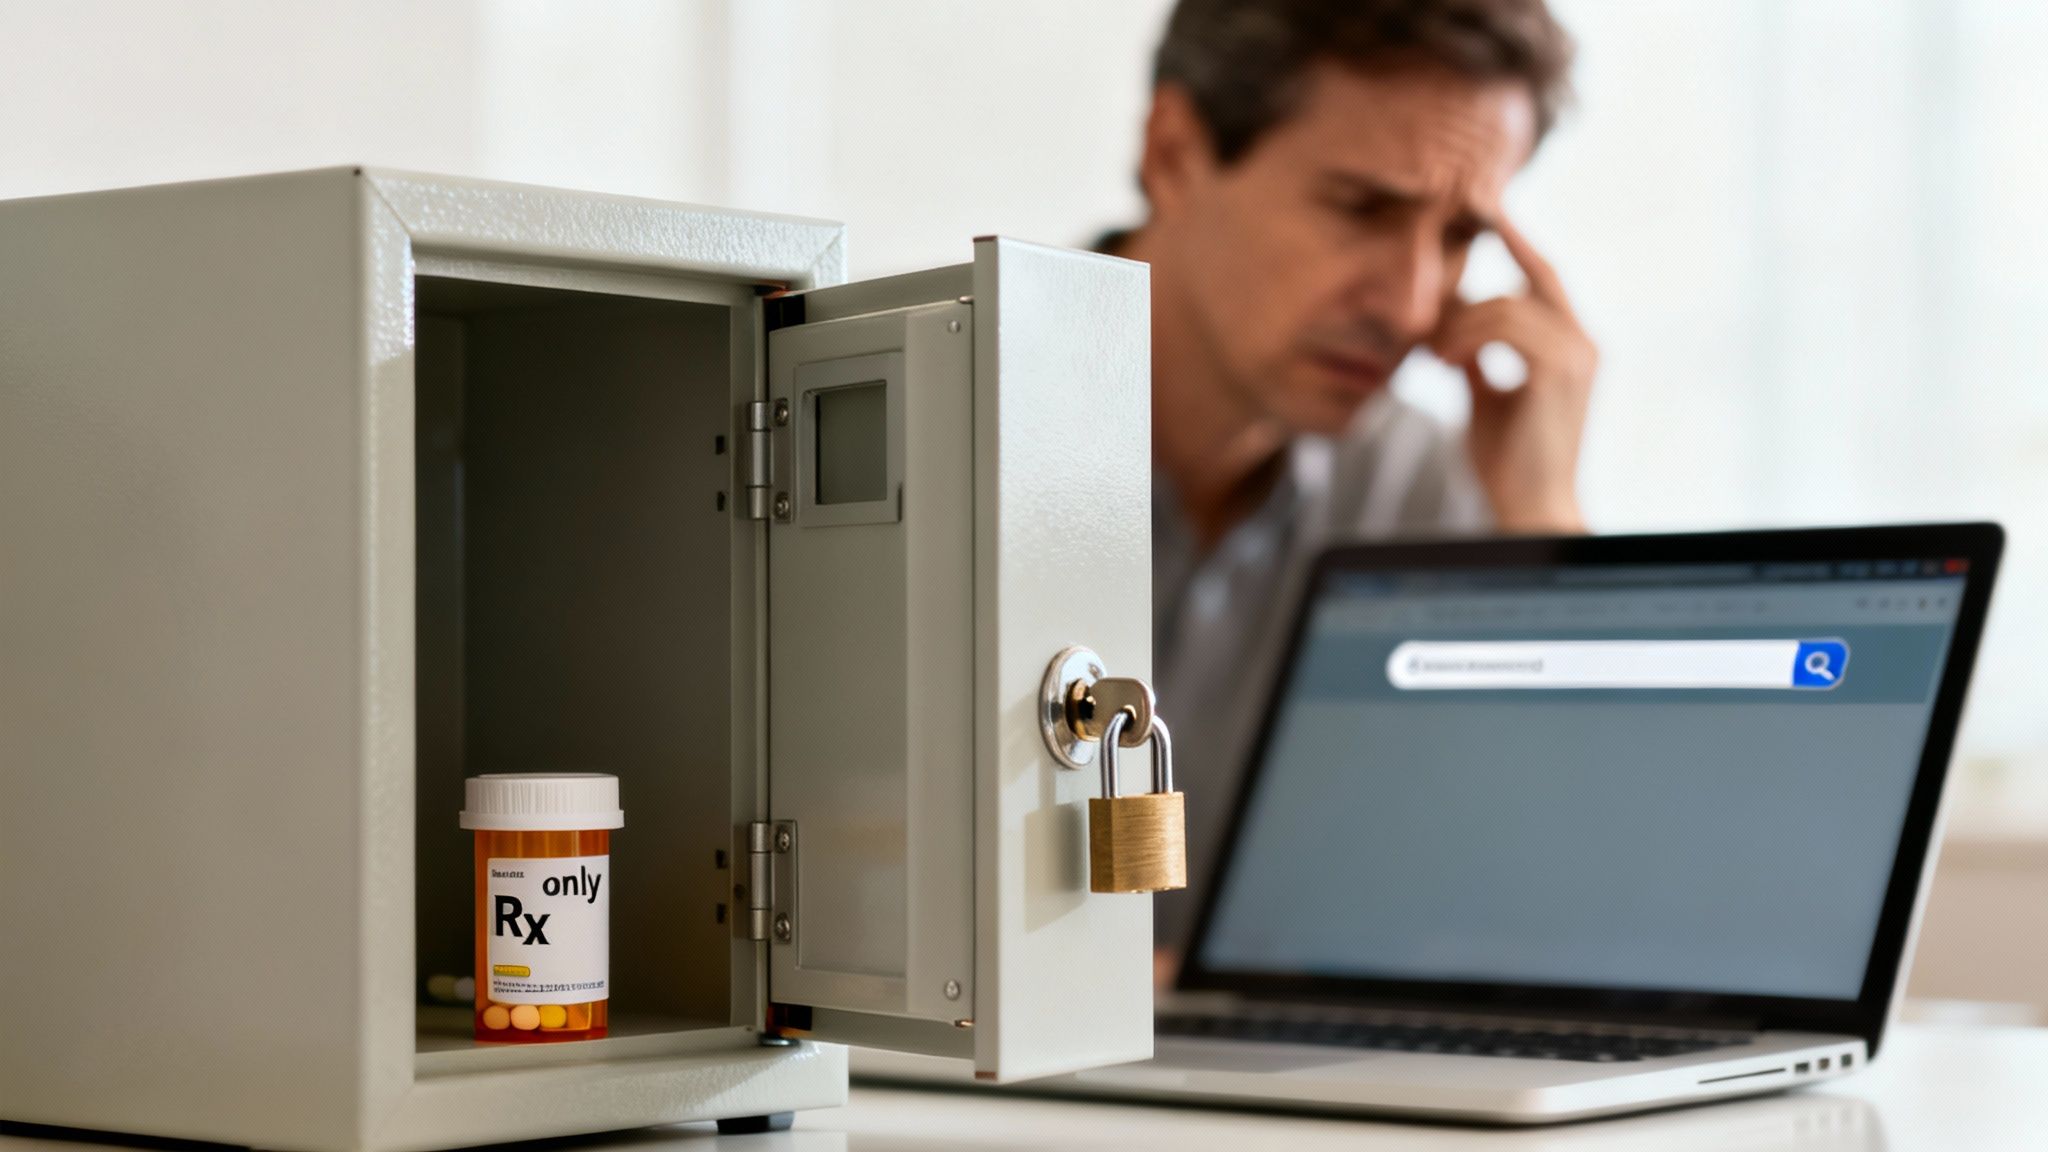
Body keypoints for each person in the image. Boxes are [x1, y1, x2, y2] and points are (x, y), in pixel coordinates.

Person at [1102, 0, 1597, 958]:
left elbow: (1563, 910)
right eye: (1362, 209)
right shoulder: (908, 423)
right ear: (1174, 154)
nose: (1411, 304)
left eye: (1459, 236)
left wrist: (1543, 520)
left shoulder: (1432, 491)